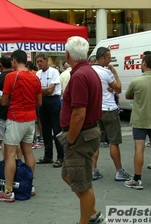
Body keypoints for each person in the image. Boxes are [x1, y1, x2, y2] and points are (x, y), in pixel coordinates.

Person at [59, 36, 105, 224]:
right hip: (86, 133)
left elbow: (79, 113)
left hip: (80, 135)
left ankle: (85, 220)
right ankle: (92, 212)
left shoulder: (79, 75)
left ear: (69, 54)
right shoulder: (88, 71)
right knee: (68, 174)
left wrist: (70, 139)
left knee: (83, 184)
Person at [0, 50, 42, 202]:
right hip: (30, 119)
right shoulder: (35, 78)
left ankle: (8, 191)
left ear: (14, 61)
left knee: (10, 154)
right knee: (28, 153)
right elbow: (39, 102)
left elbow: (4, 101)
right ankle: (29, 185)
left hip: (15, 118)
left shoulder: (11, 77)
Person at [124, 54, 151, 189]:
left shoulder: (136, 81)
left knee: (139, 149)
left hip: (140, 119)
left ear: (143, 64)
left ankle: (137, 179)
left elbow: (128, 95)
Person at [91, 47, 132, 182]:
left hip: (95, 110)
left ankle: (93, 170)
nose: (110, 60)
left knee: (95, 142)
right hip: (109, 109)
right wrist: (114, 73)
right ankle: (119, 171)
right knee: (114, 142)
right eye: (109, 57)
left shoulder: (89, 71)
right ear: (102, 58)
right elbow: (119, 88)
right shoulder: (106, 72)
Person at [35, 53, 63, 168]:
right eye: (38, 62)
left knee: (57, 130)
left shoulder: (54, 72)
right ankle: (48, 155)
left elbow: (51, 90)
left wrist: (40, 90)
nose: (40, 64)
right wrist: (43, 90)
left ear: (47, 61)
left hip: (53, 101)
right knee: (45, 130)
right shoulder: (38, 74)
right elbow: (37, 90)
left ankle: (61, 157)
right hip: (42, 102)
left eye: (41, 61)